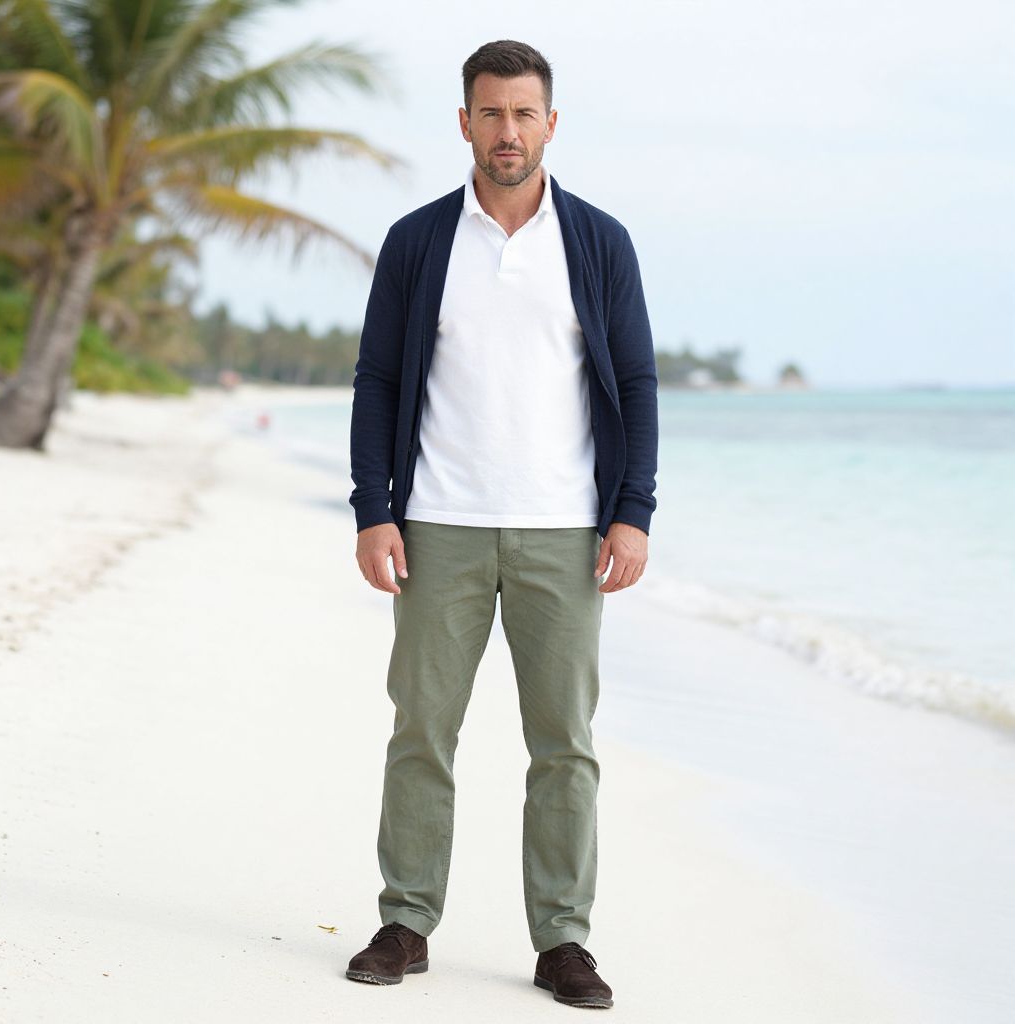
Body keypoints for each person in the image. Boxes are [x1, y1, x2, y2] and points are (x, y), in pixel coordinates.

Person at [345, 39, 658, 1010]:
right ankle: (406, 921)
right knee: (421, 731)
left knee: (563, 742)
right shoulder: (418, 241)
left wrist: (631, 512)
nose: (508, 131)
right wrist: (374, 509)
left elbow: (637, 382)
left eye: (525, 114)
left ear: (550, 124)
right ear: (464, 122)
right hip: (438, 522)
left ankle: (562, 939)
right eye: (491, 113)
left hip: (564, 534)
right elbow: (380, 380)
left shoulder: (599, 243)